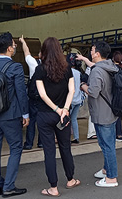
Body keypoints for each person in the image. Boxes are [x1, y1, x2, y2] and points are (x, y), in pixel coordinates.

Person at [0, 32, 30, 197]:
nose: (15, 47)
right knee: (16, 147)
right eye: (14, 45)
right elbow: (21, 93)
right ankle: (9, 186)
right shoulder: (15, 67)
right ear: (10, 48)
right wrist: (25, 114)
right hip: (10, 115)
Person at [35, 37, 80, 196]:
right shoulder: (67, 68)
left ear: (44, 51)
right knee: (65, 147)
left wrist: (56, 109)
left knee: (49, 152)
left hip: (45, 115)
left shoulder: (40, 69)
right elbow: (72, 90)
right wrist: (65, 109)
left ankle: (53, 188)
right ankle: (70, 179)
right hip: (63, 116)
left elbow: (42, 94)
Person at [81, 41, 119, 187]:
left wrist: (83, 86)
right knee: (108, 144)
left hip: (102, 113)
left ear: (97, 53)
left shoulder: (97, 71)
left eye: (92, 50)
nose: (91, 52)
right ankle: (106, 170)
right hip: (111, 111)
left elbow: (93, 92)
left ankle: (111, 178)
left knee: (107, 145)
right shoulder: (110, 66)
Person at [19, 35, 43, 150]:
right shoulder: (51, 66)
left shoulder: (34, 64)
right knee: (42, 121)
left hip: (34, 98)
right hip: (45, 99)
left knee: (31, 121)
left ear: (40, 55)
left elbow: (26, 52)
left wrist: (23, 41)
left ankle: (29, 144)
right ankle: (41, 143)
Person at [76, 54, 98, 140]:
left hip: (91, 92)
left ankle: (93, 132)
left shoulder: (92, 68)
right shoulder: (91, 68)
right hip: (91, 92)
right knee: (93, 113)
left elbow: (85, 79)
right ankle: (92, 133)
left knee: (94, 113)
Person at [66, 53, 83, 144]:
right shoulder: (78, 73)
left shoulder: (67, 72)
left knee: (67, 120)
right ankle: (76, 137)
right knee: (74, 119)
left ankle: (67, 138)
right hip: (78, 99)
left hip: (71, 100)